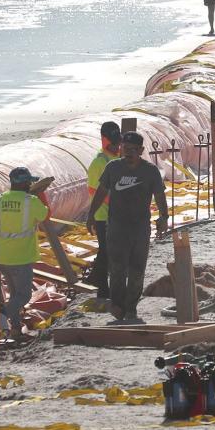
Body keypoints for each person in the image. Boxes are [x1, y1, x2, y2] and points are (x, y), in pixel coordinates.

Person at [87, 132, 168, 323]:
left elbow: (160, 196)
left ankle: (131, 307)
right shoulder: (113, 168)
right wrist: (91, 215)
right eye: (125, 149)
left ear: (140, 151)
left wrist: (164, 217)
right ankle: (117, 305)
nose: (128, 153)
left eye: (133, 150)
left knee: (137, 270)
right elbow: (101, 192)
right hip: (117, 228)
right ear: (121, 148)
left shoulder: (150, 171)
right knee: (117, 269)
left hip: (140, 229)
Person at [0, 167, 50, 340]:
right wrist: (41, 194)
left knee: (14, 294)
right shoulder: (30, 201)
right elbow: (45, 215)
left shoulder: (0, 199)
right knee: (23, 295)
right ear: (26, 183)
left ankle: (16, 329)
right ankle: (2, 314)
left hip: (3, 256)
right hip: (21, 256)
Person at [86, 121, 121, 305]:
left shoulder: (117, 158)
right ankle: (100, 286)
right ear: (104, 140)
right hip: (103, 216)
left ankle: (98, 281)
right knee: (106, 252)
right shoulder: (100, 161)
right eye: (113, 143)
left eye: (118, 142)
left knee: (111, 252)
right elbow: (94, 191)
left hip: (117, 215)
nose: (117, 146)